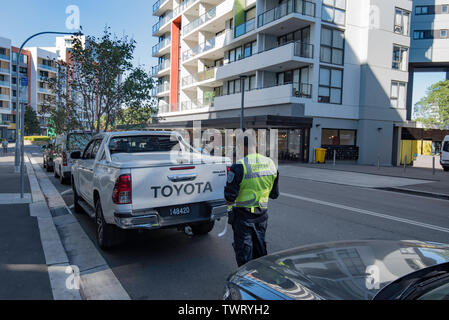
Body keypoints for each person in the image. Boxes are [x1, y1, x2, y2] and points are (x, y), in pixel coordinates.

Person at [224, 137, 279, 267]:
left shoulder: (239, 166)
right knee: (260, 249)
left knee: (244, 252)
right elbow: (274, 194)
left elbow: (230, 197)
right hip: (262, 216)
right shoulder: (271, 164)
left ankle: (246, 282)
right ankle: (261, 278)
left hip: (244, 218)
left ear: (242, 147)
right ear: (255, 146)